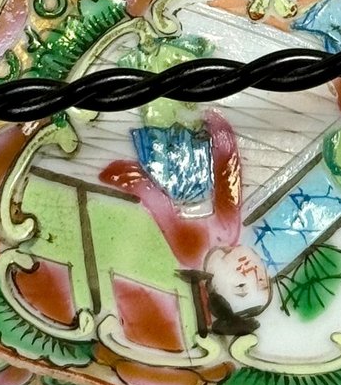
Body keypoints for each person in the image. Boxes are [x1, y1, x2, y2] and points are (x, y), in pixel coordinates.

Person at [102, 110, 273, 337]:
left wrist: (125, 176)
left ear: (212, 290)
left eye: (241, 286)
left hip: (165, 159)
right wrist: (223, 138)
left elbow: (159, 204)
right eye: (261, 280)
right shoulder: (230, 232)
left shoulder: (190, 250)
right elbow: (228, 179)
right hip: (197, 153)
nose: (250, 272)